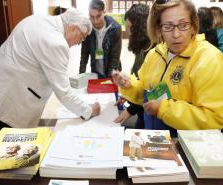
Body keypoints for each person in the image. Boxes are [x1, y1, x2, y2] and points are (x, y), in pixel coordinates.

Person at [112, 0, 223, 137]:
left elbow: (215, 119)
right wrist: (129, 85)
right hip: (153, 138)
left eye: (183, 25)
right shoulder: (155, 54)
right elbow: (145, 94)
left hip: (184, 148)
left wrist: (164, 109)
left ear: (193, 26)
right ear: (159, 29)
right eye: (168, 26)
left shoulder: (208, 58)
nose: (176, 34)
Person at [0, 8, 101, 131]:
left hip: (3, 82)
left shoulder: (37, 19)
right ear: (73, 28)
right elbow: (63, 92)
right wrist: (88, 110)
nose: (80, 43)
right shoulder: (56, 43)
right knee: (6, 141)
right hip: (12, 98)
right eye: (82, 37)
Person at [114, 4, 151, 129]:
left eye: (129, 27)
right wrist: (128, 96)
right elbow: (138, 82)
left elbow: (154, 92)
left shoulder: (153, 51)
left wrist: (131, 109)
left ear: (140, 26)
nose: (128, 32)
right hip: (142, 112)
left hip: (150, 115)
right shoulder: (142, 48)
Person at [79, 0, 122, 78]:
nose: (95, 21)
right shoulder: (87, 28)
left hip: (112, 71)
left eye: (98, 16)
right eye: (92, 17)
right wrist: (81, 75)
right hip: (96, 71)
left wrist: (109, 80)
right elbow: (84, 54)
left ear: (104, 12)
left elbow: (114, 58)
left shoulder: (115, 29)